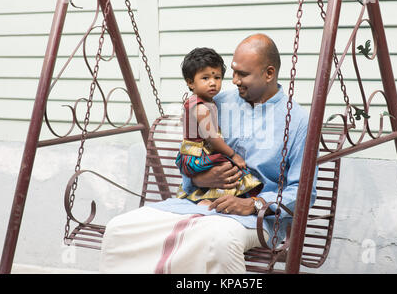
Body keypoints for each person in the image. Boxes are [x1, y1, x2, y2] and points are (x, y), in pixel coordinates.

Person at [99, 34, 317, 274]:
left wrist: (253, 204)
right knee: (120, 228)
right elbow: (189, 155)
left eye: (242, 74)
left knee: (219, 240)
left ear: (269, 74)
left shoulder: (297, 122)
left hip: (255, 219)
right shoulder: (214, 103)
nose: (232, 80)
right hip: (198, 203)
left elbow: (304, 191)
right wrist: (199, 178)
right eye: (232, 72)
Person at [175, 47, 262, 206]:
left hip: (195, 153)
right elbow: (213, 138)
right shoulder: (201, 107)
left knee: (224, 169)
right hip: (196, 157)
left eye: (217, 77)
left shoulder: (199, 101)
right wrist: (234, 154)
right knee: (230, 165)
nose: (213, 83)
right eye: (205, 78)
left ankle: (209, 197)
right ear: (190, 82)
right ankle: (209, 199)